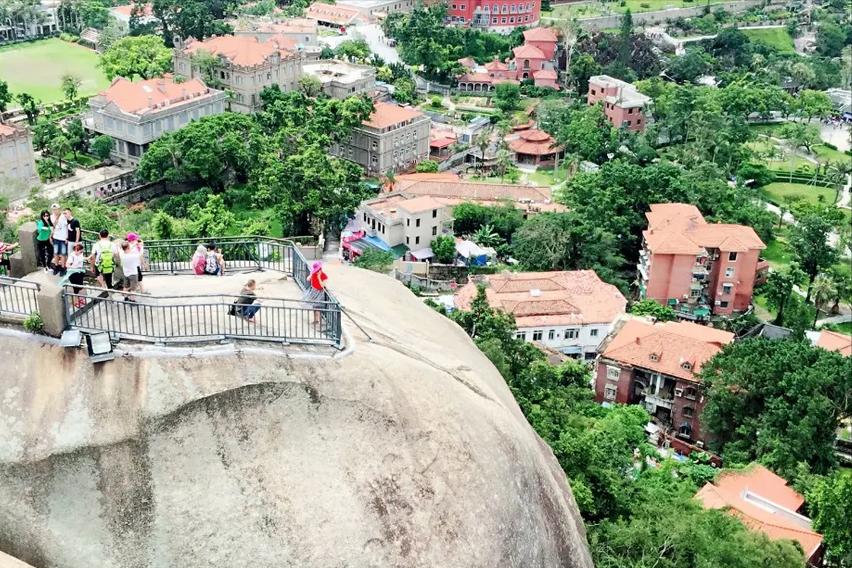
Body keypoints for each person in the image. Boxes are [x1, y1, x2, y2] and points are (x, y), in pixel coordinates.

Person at [303, 261, 328, 326]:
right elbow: (308, 279)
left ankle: (319, 321)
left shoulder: (323, 275)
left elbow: (322, 285)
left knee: (318, 307)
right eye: (318, 269)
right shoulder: (313, 273)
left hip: (319, 292)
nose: (319, 270)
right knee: (314, 307)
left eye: (320, 269)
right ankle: (315, 320)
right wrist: (312, 274)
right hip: (313, 291)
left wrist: (319, 277)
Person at [65, 243, 87, 308]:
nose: (81, 252)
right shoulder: (72, 256)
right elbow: (67, 265)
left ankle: (78, 299)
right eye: (81, 251)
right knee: (76, 288)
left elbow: (82, 259)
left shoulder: (80, 254)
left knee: (80, 287)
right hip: (73, 273)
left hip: (80, 272)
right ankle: (75, 302)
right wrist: (74, 268)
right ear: (77, 250)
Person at [51, 207, 69, 275]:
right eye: (53, 209)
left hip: (63, 238)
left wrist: (67, 237)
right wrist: (51, 236)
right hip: (55, 237)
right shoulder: (51, 217)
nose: (55, 211)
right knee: (55, 253)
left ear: (59, 209)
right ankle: (56, 267)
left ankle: (63, 268)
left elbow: (67, 227)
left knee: (63, 253)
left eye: (56, 209)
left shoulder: (63, 216)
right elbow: (52, 227)